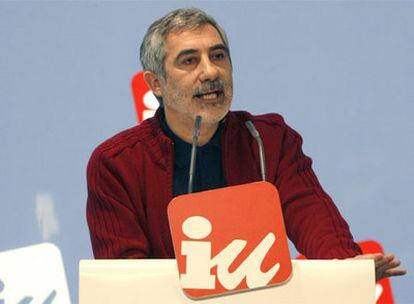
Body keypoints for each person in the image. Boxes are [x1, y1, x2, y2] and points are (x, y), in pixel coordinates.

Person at [86, 8, 406, 281]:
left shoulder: (267, 139)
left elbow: (309, 211)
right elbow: (125, 278)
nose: (210, 71)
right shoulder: (116, 164)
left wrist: (343, 267)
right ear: (155, 82)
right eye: (189, 61)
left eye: (218, 56)